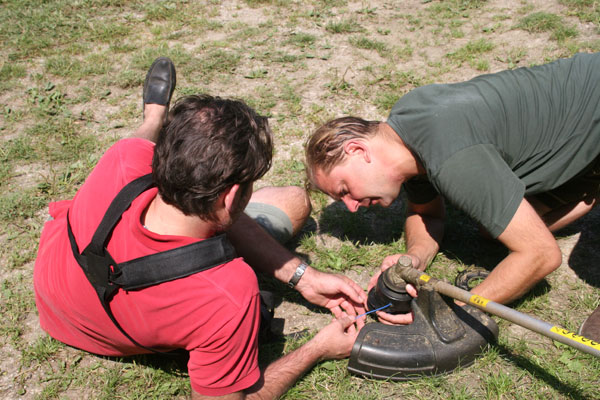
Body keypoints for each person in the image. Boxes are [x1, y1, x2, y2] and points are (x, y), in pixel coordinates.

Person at [34, 57, 368, 399]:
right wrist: (318, 349)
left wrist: (304, 277)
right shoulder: (227, 295)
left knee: (138, 146)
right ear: (233, 196)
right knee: (294, 201)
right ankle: (154, 119)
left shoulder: (122, 159)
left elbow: (212, 205)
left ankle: (153, 120)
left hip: (56, 299)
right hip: (104, 333)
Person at [305, 52, 600, 341]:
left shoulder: (452, 159)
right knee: (492, 230)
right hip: (577, 121)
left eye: (344, 190)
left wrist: (448, 314)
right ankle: (590, 183)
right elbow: (427, 213)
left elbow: (541, 254)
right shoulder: (405, 130)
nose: (352, 207)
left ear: (358, 150)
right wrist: (414, 258)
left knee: (571, 263)